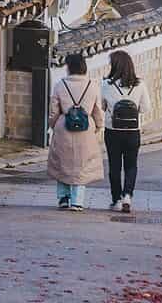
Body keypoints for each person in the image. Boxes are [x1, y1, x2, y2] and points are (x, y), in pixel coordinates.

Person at [47, 52, 104, 211]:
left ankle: (63, 198)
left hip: (63, 126)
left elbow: (53, 111)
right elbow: (97, 110)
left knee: (62, 163)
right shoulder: (93, 85)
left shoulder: (60, 85)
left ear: (69, 67)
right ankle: (77, 201)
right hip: (86, 129)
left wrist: (54, 125)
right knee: (81, 165)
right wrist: (98, 126)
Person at [101, 50, 151, 213]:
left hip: (112, 131)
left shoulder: (106, 84)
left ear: (114, 66)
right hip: (132, 131)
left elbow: (102, 106)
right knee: (131, 165)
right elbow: (145, 108)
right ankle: (127, 195)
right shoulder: (140, 84)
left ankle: (116, 200)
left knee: (114, 166)